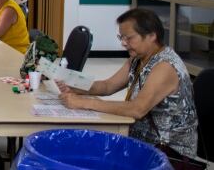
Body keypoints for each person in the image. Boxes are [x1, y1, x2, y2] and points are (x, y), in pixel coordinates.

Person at [59, 9, 198, 159]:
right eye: (121, 37)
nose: (124, 43)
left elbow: (137, 109)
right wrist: (77, 86)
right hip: (141, 142)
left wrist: (84, 102)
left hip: (168, 153)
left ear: (152, 36)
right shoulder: (138, 59)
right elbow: (108, 86)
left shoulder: (165, 66)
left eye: (129, 38)